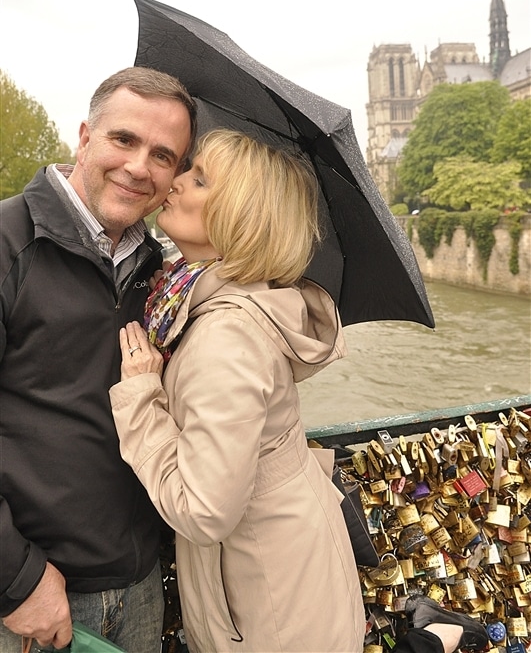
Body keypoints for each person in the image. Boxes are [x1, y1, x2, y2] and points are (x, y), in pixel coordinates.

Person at [110, 129, 489, 653]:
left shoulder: (225, 336)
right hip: (279, 559)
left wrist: (141, 399)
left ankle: (437, 636)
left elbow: (204, 511)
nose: (174, 182)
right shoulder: (224, 300)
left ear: (240, 215)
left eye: (198, 179)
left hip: (266, 592)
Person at [0, 66, 197, 653]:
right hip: (38, 597)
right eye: (124, 140)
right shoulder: (9, 245)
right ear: (85, 137)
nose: (140, 167)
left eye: (164, 155)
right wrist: (17, 579)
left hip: (140, 585)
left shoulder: (157, 270)